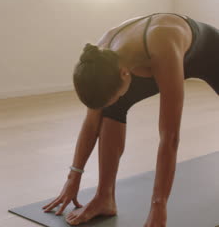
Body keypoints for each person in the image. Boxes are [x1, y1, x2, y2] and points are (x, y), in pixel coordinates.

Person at [41, 13, 219, 226]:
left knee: (120, 105)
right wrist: (73, 178)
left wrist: (158, 206)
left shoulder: (162, 45)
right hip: (148, 56)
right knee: (111, 110)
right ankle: (104, 197)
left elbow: (169, 136)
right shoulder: (100, 59)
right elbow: (91, 123)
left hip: (210, 53)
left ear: (125, 74)